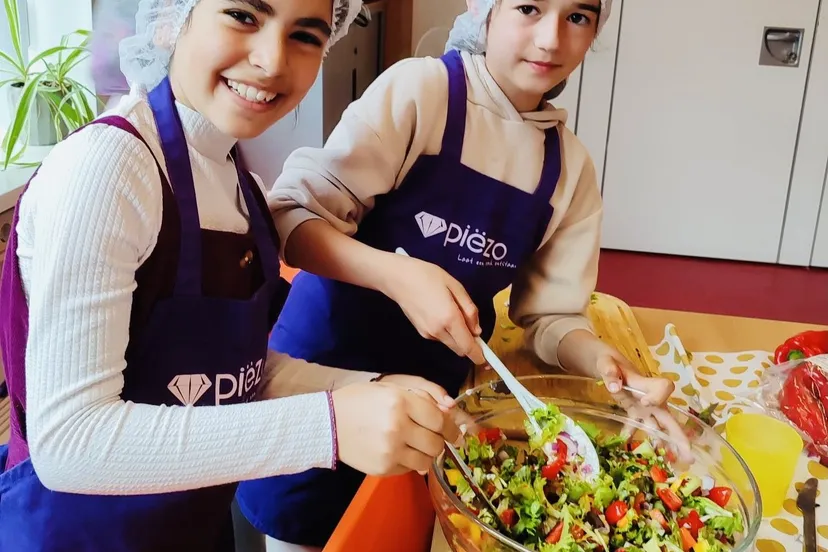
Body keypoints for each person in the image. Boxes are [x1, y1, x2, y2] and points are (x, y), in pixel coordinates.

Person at [0, 0, 461, 550]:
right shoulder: (108, 170)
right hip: (79, 535)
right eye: (244, 15)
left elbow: (231, 374)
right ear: (173, 16)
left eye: (306, 36)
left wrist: (366, 391)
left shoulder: (237, 182)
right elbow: (71, 443)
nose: (272, 61)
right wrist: (329, 425)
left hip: (190, 524)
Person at [234, 0, 689, 548]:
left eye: (578, 17)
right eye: (528, 7)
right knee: (299, 530)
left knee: (392, 535)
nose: (550, 40)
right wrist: (400, 278)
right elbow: (292, 218)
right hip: (320, 382)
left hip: (433, 407)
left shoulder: (569, 170)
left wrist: (605, 365)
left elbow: (551, 317)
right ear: (485, 10)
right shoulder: (422, 94)